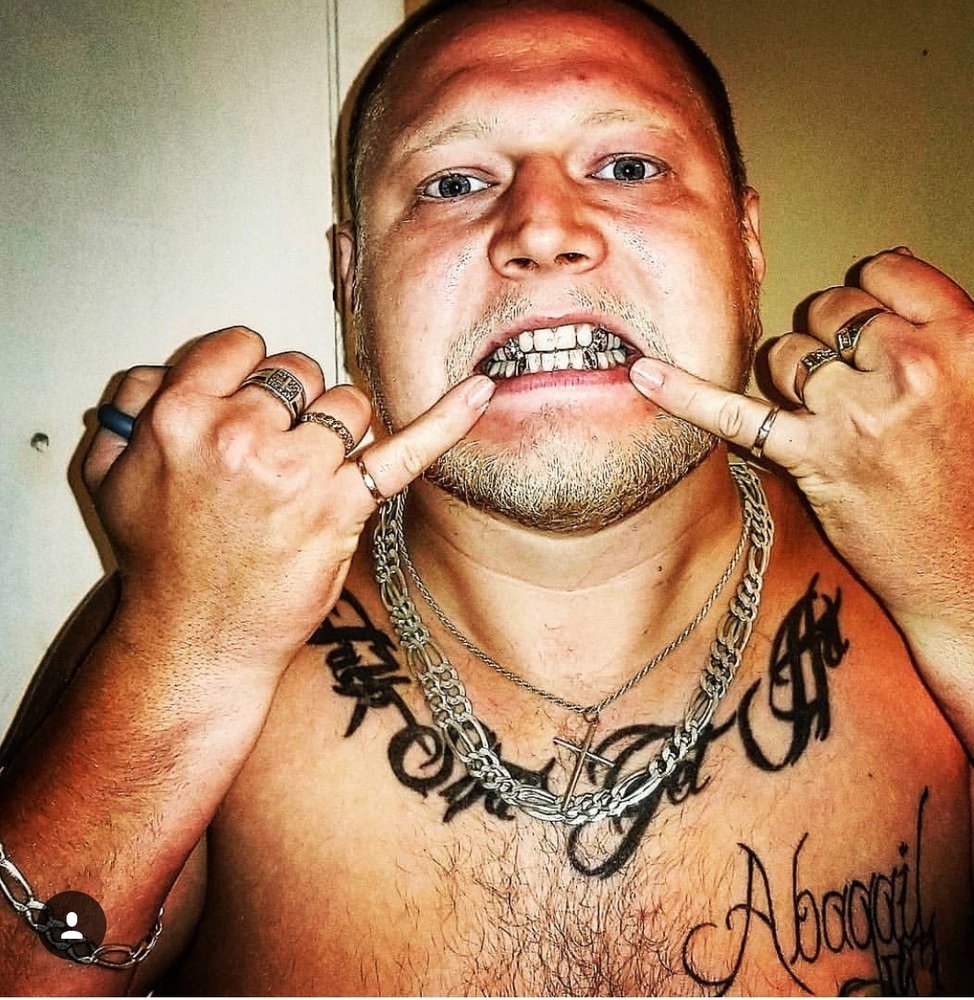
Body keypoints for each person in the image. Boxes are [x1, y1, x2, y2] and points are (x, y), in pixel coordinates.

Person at [1, 0, 972, 994]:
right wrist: (184, 651)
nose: (543, 230)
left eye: (627, 167)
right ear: (350, 277)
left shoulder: (934, 571)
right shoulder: (188, 607)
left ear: (745, 240)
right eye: (453, 184)